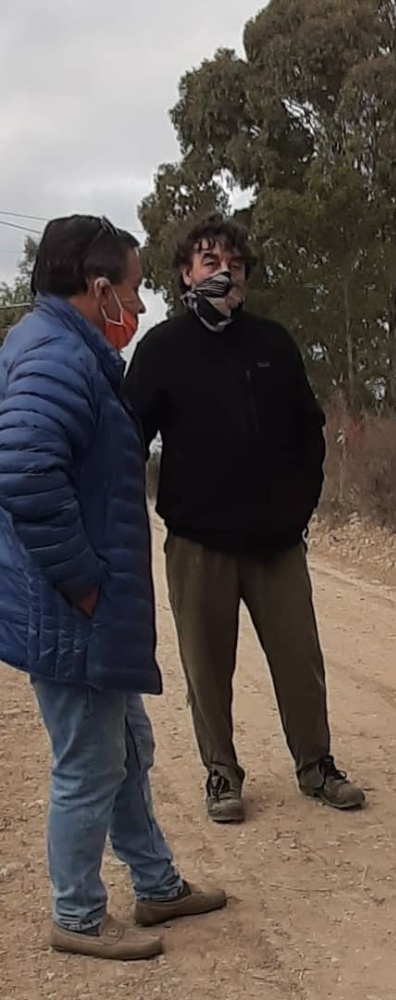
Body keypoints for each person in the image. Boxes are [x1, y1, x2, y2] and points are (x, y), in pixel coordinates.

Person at [0, 215, 226, 961]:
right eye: (131, 289)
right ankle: (76, 914)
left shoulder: (68, 352)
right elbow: (27, 476)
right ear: (99, 290)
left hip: (85, 611)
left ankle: (157, 886)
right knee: (89, 763)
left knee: (126, 747)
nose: (138, 305)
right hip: (73, 613)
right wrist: (87, 588)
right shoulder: (53, 358)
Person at [124, 214, 365, 824]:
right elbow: (128, 438)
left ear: (245, 278)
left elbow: (309, 433)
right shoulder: (161, 348)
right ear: (185, 273)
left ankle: (317, 767)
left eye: (233, 263)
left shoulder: (273, 343)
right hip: (198, 543)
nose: (223, 271)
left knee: (300, 662)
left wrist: (298, 508)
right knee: (207, 668)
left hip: (276, 544)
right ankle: (221, 774)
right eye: (209, 261)